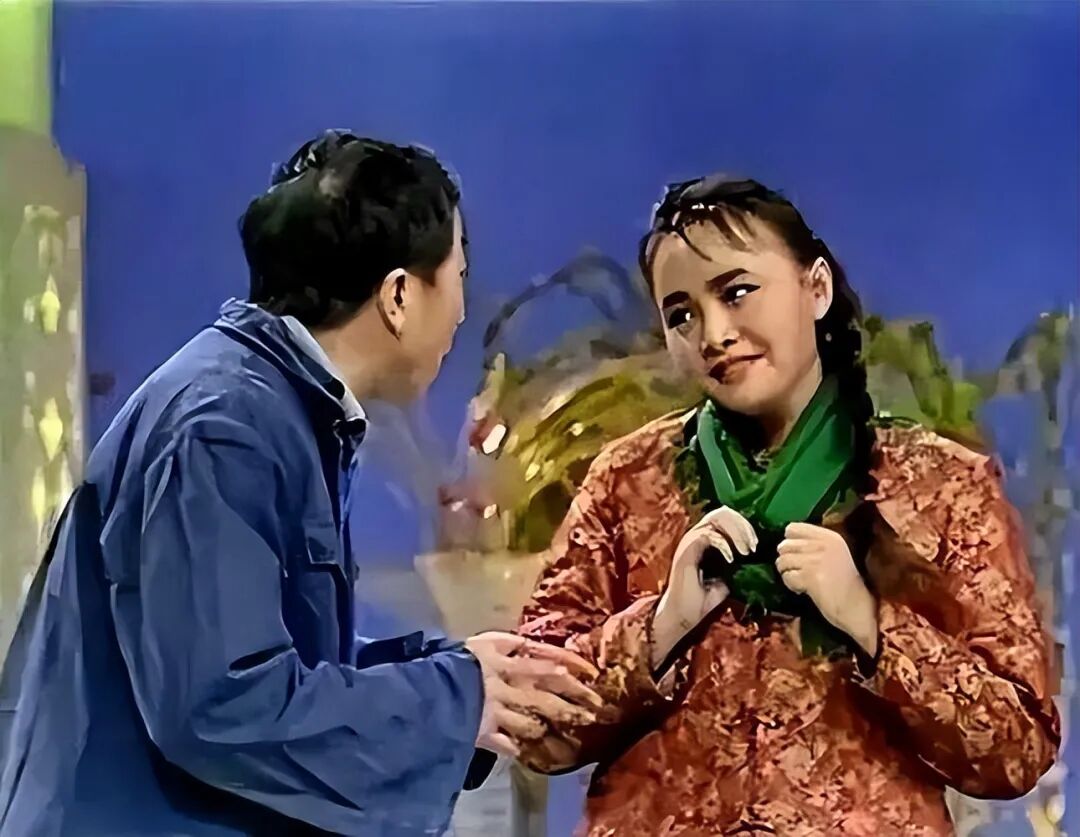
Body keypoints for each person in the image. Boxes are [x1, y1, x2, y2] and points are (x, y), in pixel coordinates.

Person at [0, 131, 601, 837]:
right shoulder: (224, 425)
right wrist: (453, 695)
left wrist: (462, 675)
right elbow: (224, 702)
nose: (463, 311)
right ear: (399, 296)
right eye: (458, 276)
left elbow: (276, 670)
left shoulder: (275, 410)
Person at [515, 176, 1060, 835]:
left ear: (816, 288)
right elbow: (533, 723)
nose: (713, 333)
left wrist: (869, 623)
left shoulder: (939, 485)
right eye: (681, 314)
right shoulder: (627, 481)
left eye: (736, 292)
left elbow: (1017, 748)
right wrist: (660, 627)